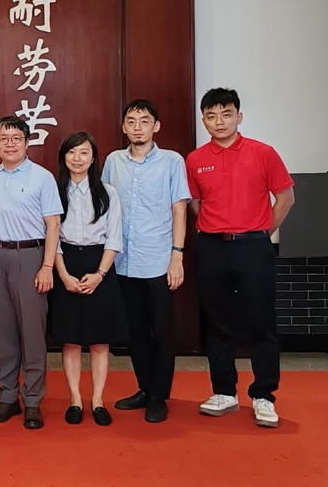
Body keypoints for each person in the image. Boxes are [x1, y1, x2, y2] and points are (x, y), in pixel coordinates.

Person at [186, 88, 294, 429]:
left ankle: (264, 395)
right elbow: (195, 203)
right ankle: (224, 391)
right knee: (217, 322)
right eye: (212, 116)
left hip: (253, 248)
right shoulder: (195, 159)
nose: (219, 121)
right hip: (211, 247)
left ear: (239, 116)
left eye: (226, 114)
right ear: (204, 121)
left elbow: (285, 198)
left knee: (261, 321)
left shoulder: (263, 153)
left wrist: (260, 231)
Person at [102, 99, 191, 423]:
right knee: (135, 331)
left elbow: (179, 209)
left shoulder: (172, 161)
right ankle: (144, 388)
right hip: (123, 261)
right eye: (131, 121)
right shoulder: (113, 161)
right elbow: (106, 207)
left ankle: (158, 396)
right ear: (124, 127)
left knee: (162, 331)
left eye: (144, 121)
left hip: (158, 259)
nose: (137, 127)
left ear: (156, 126)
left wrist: (177, 255)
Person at [0, 115, 62, 430]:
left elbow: (53, 224)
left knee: (32, 333)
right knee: (3, 332)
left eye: (16, 138)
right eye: (3, 138)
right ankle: (8, 397)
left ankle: (34, 401)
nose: (10, 144)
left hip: (31, 256)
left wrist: (47, 266)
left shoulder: (42, 177)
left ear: (27, 142)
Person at [51, 131, 126, 427]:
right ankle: (75, 399)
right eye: (72, 152)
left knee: (99, 341)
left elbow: (114, 237)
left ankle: (97, 400)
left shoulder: (108, 192)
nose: (77, 158)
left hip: (100, 264)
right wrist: (63, 274)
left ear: (93, 158)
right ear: (64, 157)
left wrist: (100, 275)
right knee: (70, 340)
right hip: (65, 262)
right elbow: (51, 236)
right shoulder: (54, 190)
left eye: (84, 152)